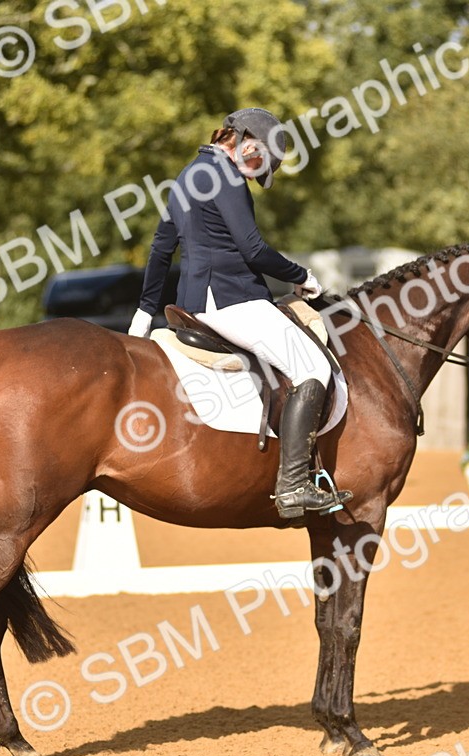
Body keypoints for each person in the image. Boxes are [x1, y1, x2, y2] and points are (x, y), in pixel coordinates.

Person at [128, 107, 346, 519]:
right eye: (258, 159)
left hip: (193, 302)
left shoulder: (188, 174)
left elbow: (160, 249)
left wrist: (144, 312)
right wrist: (302, 277)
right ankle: (294, 485)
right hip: (230, 299)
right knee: (312, 367)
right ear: (245, 140)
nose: (253, 172)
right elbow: (252, 249)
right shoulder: (225, 176)